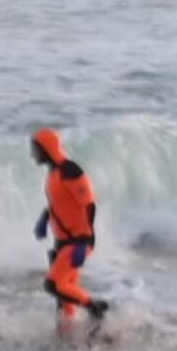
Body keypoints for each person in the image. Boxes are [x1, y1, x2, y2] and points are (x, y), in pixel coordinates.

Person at [31, 128, 110, 334]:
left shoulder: (70, 171)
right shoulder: (53, 173)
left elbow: (89, 205)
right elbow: (60, 203)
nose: (33, 155)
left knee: (53, 284)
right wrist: (44, 218)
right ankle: (68, 336)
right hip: (62, 239)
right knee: (64, 296)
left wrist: (84, 241)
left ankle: (95, 308)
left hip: (77, 240)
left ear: (46, 149)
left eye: (36, 150)